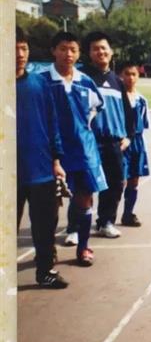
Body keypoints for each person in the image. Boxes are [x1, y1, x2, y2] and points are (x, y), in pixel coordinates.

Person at [41, 31, 107, 267]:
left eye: (73, 50)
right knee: (50, 204)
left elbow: (96, 108)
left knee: (85, 199)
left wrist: (85, 129)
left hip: (83, 151)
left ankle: (83, 247)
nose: (68, 54)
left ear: (79, 53)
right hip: (52, 152)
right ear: (53, 51)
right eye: (63, 49)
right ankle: (48, 250)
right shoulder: (42, 81)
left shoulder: (85, 81)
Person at [16, 27, 68, 288]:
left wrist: (56, 161)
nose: (19, 55)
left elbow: (52, 124)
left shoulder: (39, 83)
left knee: (45, 226)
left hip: (41, 169)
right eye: (13, 49)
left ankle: (45, 271)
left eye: (23, 48)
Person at [80, 31, 135, 238]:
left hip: (113, 142)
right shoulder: (82, 78)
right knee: (85, 185)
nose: (100, 52)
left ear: (111, 52)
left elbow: (128, 113)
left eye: (104, 48)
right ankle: (76, 227)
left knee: (115, 183)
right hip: (89, 141)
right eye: (95, 49)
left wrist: (128, 136)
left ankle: (106, 222)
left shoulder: (117, 82)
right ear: (89, 53)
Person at [118, 62, 150, 226]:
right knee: (119, 181)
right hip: (120, 142)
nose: (130, 78)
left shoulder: (142, 100)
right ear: (120, 75)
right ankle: (107, 217)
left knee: (134, 180)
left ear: (138, 76)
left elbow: (144, 124)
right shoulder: (117, 98)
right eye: (127, 74)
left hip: (137, 142)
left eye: (133, 74)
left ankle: (128, 213)